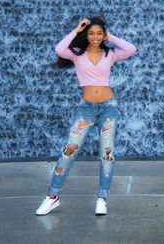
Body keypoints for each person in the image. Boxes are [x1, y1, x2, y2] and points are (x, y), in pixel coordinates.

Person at [35, 16, 137, 216]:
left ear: (103, 34)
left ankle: (102, 198)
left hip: (109, 108)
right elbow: (59, 49)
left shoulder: (110, 54)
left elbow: (131, 49)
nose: (96, 37)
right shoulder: (76, 54)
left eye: (99, 33)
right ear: (86, 34)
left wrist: (111, 37)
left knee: (107, 155)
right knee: (68, 151)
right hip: (86, 109)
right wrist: (76, 30)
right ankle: (52, 196)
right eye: (91, 33)